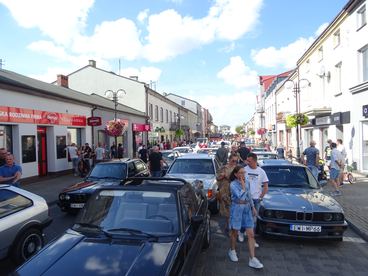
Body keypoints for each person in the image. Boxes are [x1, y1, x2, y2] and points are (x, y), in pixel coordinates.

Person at [228, 165, 263, 269]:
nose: (243, 175)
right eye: (241, 173)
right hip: (237, 209)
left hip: (247, 209)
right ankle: (232, 250)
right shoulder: (233, 185)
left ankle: (252, 259)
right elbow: (240, 196)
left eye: (244, 172)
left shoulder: (247, 182)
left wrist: (253, 207)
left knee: (251, 234)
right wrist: (243, 186)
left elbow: (249, 196)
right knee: (234, 232)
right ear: (236, 174)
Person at [238, 152, 269, 247]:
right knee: (245, 218)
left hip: (256, 199)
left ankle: (252, 239)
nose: (247, 162)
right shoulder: (244, 170)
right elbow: (239, 183)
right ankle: (242, 232)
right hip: (246, 199)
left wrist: (261, 197)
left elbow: (266, 186)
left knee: (254, 220)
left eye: (249, 161)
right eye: (247, 160)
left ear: (255, 161)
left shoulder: (261, 172)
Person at [216, 154, 239, 233]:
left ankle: (231, 228)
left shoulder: (237, 169)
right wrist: (222, 176)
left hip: (235, 193)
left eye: (236, 161)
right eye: (233, 161)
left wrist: (227, 176)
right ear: (229, 159)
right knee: (228, 213)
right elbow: (217, 178)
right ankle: (230, 229)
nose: (235, 162)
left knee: (233, 212)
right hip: (225, 193)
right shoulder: (223, 168)